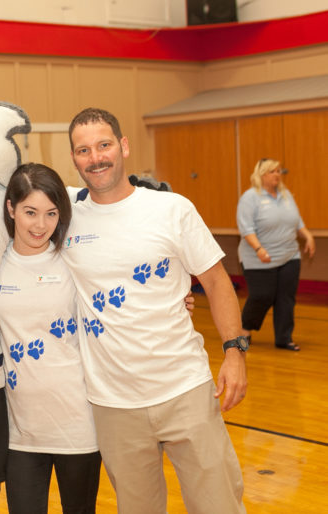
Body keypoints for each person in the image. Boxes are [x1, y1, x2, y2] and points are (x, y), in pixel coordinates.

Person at [63, 107, 248, 513]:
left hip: (184, 388)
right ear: (74, 158)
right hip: (112, 402)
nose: (96, 157)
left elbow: (217, 281)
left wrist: (234, 351)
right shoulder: (64, 220)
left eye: (104, 145)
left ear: (124, 146)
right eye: (83, 150)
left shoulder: (172, 209)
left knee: (218, 505)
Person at [0, 163, 101, 513]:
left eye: (51, 214)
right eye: (30, 212)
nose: (41, 225)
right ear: (11, 208)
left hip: (78, 423)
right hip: (20, 430)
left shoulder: (74, 260)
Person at [236, 158, 315, 351]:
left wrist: (308, 236)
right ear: (261, 175)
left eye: (279, 171)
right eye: (273, 171)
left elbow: (297, 221)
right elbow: (246, 229)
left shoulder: (286, 195)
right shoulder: (250, 197)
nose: (277, 174)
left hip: (289, 255)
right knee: (262, 295)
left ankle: (284, 338)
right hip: (259, 257)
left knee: (286, 298)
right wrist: (258, 249)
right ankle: (245, 330)